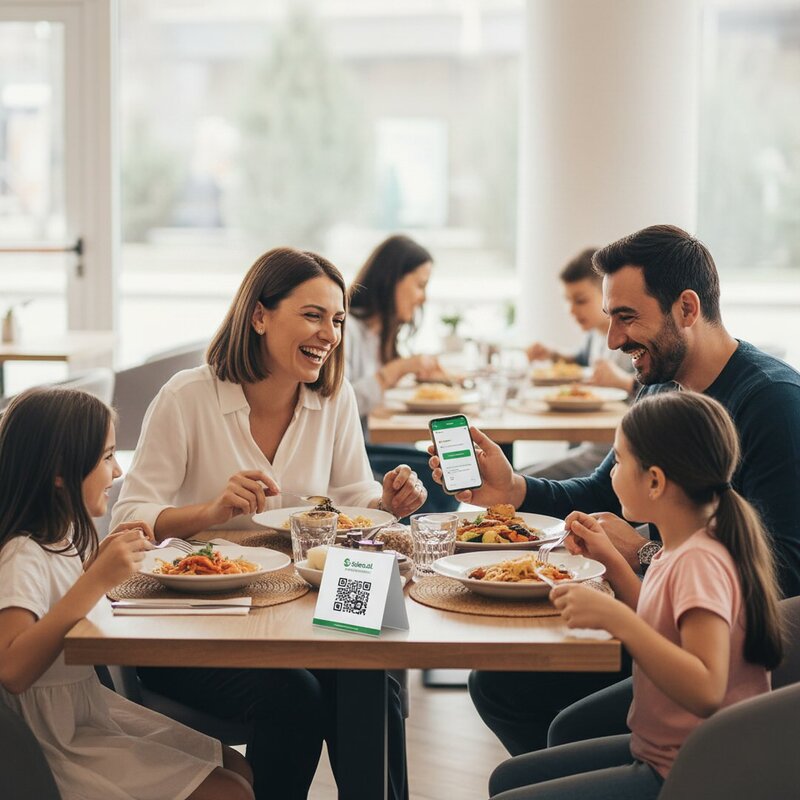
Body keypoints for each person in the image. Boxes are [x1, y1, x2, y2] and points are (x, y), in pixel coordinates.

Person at [427, 224, 800, 756]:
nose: (612, 340)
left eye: (627, 317)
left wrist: (644, 553)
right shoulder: (662, 386)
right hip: (664, 610)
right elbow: (603, 491)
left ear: (687, 308)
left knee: (510, 690)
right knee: (499, 683)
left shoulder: (774, 403)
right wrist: (513, 487)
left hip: (725, 652)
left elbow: (784, 574)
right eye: (609, 318)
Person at [111, 246, 425, 800]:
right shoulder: (187, 396)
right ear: (259, 316)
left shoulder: (334, 397)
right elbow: (128, 520)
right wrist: (211, 512)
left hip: (306, 598)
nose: (329, 334)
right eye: (312, 315)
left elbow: (353, 496)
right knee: (294, 699)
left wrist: (387, 502)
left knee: (371, 678)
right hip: (195, 618)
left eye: (337, 320)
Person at [488, 391, 782, 799]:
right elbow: (663, 620)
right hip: (665, 753)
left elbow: (707, 689)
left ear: (655, 481)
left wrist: (617, 619)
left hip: (695, 772)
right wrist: (610, 560)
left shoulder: (700, 561)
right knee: (507, 779)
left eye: (619, 461)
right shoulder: (680, 545)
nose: (610, 473)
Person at [0, 388, 254, 800]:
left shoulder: (59, 538)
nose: (118, 471)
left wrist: (96, 563)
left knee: (236, 767)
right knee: (231, 791)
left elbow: (53, 600)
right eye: (106, 457)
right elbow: (11, 669)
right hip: (48, 742)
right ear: (60, 471)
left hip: (84, 710)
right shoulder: (20, 554)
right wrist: (95, 581)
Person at [347, 233, 458, 512]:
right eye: (420, 285)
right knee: (445, 480)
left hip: (372, 446)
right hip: (355, 456)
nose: (423, 297)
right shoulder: (347, 329)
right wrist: (398, 369)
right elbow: (340, 405)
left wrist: (420, 378)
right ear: (391, 279)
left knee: (447, 474)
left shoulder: (378, 335)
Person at [523, 247, 635, 480]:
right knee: (518, 475)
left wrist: (624, 382)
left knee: (519, 482)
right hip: (590, 446)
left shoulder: (632, 342)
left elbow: (663, 393)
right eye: (568, 301)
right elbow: (580, 360)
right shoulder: (595, 335)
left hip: (611, 455)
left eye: (581, 301)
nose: (571, 310)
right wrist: (552, 353)